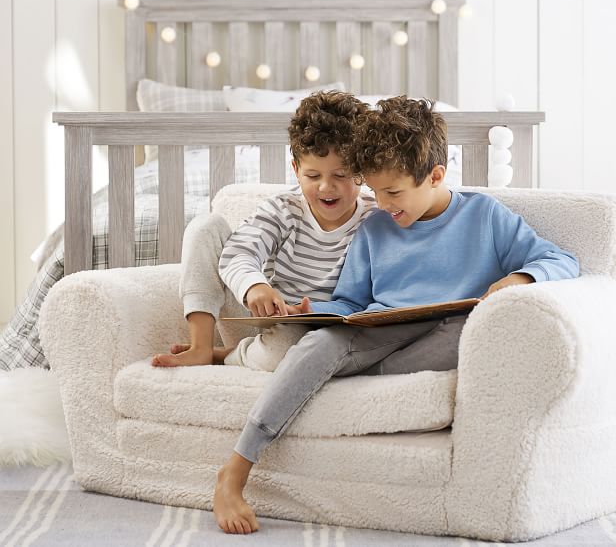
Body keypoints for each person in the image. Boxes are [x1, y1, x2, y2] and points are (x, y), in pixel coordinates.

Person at [211, 96, 580, 534]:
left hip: (449, 330)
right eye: (374, 190)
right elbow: (351, 301)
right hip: (378, 329)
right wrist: (318, 312)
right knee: (318, 344)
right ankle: (235, 469)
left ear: (436, 175)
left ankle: (347, 372)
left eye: (392, 192)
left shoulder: (486, 217)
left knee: (474, 331)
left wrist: (520, 279)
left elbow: (561, 260)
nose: (380, 204)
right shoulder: (375, 227)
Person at [151, 90, 374, 369]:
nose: (326, 187)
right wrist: (255, 286)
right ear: (295, 170)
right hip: (258, 318)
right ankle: (202, 346)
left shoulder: (375, 219)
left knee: (289, 349)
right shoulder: (283, 209)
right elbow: (239, 252)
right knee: (205, 226)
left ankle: (228, 355)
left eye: (340, 175)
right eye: (313, 176)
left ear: (363, 171)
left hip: (313, 336)